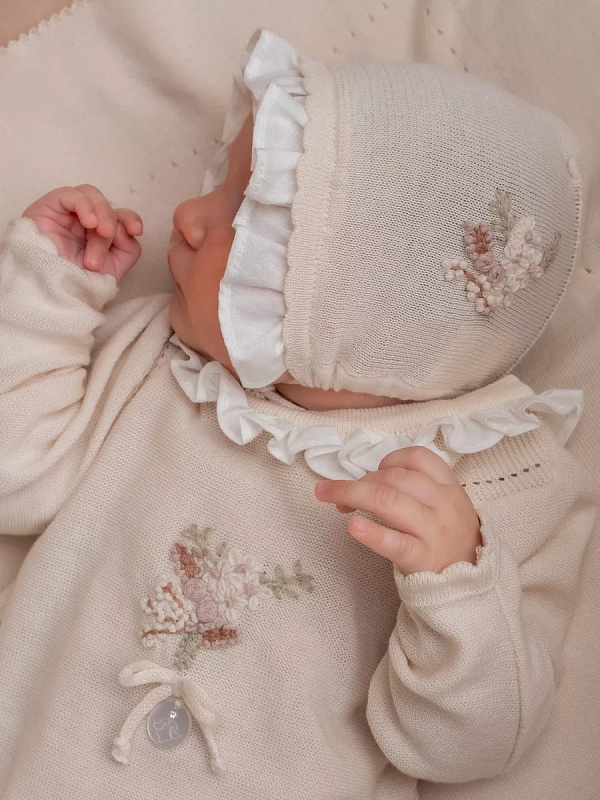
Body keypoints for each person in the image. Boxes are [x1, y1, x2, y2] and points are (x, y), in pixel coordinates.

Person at [0, 27, 596, 800]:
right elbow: (16, 475)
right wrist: (47, 294)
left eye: (245, 211)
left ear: (351, 303)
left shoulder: (495, 477)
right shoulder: (163, 361)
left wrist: (455, 588)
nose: (187, 214)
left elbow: (464, 749)